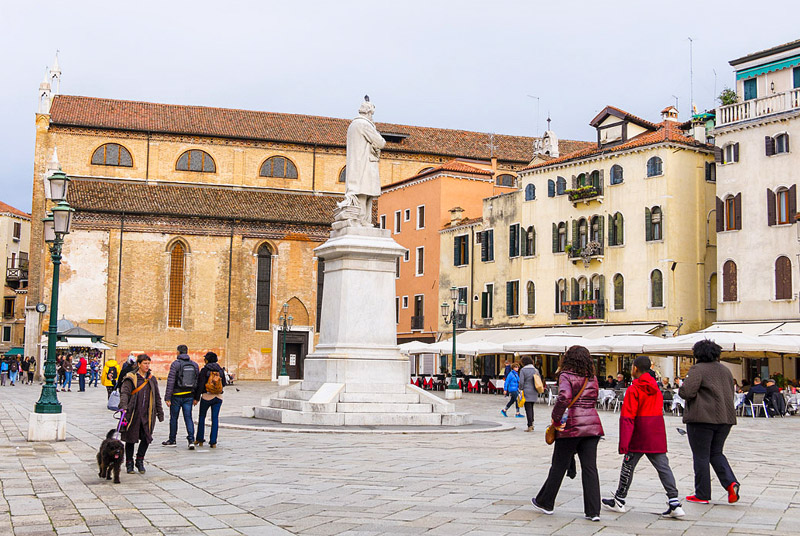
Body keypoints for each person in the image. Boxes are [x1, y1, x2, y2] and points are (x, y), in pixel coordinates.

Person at [602, 356, 685, 518]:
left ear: (635, 368)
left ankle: (619, 499)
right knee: (663, 467)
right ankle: (674, 502)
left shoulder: (634, 389)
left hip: (639, 431)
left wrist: (624, 442)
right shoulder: (656, 387)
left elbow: (627, 417)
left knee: (628, 465)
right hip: (655, 430)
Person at [532, 345, 604, 521]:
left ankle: (546, 502)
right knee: (590, 468)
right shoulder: (592, 377)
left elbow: (564, 397)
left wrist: (556, 419)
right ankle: (593, 511)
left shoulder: (565, 375)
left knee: (559, 465)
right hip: (592, 426)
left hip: (571, 425)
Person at [679, 339, 739, 505]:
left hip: (702, 418)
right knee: (716, 452)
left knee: (701, 456)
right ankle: (730, 483)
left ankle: (702, 493)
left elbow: (687, 392)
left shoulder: (697, 369)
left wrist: (682, 387)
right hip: (725, 419)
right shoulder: (725, 370)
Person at [338, 96, 386, 226]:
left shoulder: (352, 125)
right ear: (369, 113)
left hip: (357, 165)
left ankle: (364, 220)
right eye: (372, 114)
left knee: (364, 193)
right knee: (364, 192)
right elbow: (381, 142)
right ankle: (363, 220)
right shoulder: (364, 124)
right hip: (365, 165)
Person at [119, 354, 164, 474]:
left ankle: (140, 459)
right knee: (130, 438)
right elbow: (125, 393)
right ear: (139, 364)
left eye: (148, 363)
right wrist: (123, 406)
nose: (147, 366)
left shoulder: (151, 379)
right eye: (145, 363)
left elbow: (157, 397)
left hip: (147, 414)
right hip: (133, 413)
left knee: (146, 437)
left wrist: (160, 412)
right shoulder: (131, 378)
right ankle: (129, 463)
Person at [163, 344, 199, 449]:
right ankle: (191, 440)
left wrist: (167, 397)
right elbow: (197, 381)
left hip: (176, 395)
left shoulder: (176, 364)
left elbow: (171, 381)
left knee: (174, 418)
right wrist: (196, 397)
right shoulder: (194, 364)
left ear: (178, 352)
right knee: (188, 418)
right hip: (189, 396)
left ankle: (172, 439)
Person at [193, 351, 227, 448]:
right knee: (215, 419)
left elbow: (200, 385)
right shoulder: (220, 370)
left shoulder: (205, 370)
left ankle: (199, 439)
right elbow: (224, 383)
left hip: (206, 396)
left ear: (207, 360)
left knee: (202, 417)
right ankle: (213, 442)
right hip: (218, 397)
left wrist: (196, 398)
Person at [518, 356, 542, 432]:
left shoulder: (523, 370)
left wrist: (520, 388)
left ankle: (530, 425)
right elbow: (539, 380)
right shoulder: (536, 370)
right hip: (534, 391)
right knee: (531, 407)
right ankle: (531, 423)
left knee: (528, 408)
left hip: (526, 391)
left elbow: (521, 382)